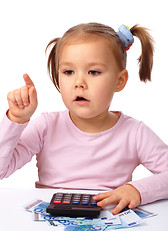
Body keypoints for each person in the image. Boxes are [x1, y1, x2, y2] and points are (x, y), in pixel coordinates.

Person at [0, 23, 168, 215]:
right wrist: (15, 120)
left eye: (93, 72)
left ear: (119, 80)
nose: (79, 83)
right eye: (68, 72)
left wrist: (137, 190)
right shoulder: (46, 125)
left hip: (109, 222)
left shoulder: (134, 133)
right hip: (51, 224)